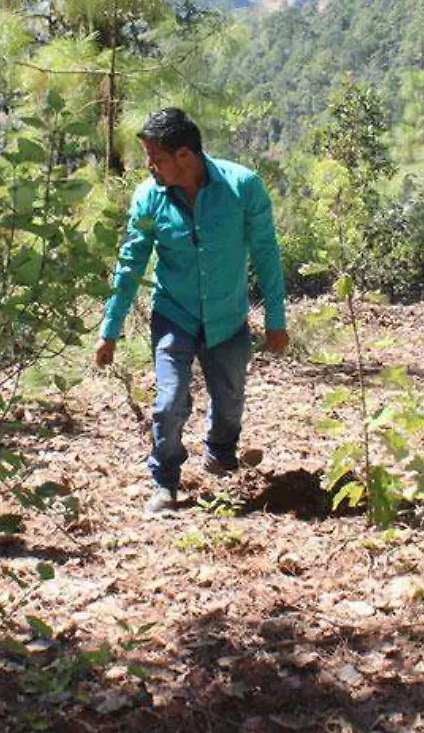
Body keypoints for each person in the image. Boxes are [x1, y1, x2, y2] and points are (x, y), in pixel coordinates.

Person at [94, 108, 289, 514]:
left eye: (156, 157)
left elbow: (267, 255)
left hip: (227, 316)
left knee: (230, 401)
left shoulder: (243, 188)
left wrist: (276, 320)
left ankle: (220, 452)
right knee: (168, 402)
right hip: (174, 314)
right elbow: (130, 263)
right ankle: (165, 480)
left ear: (184, 156)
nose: (149, 166)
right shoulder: (149, 197)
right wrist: (109, 329)